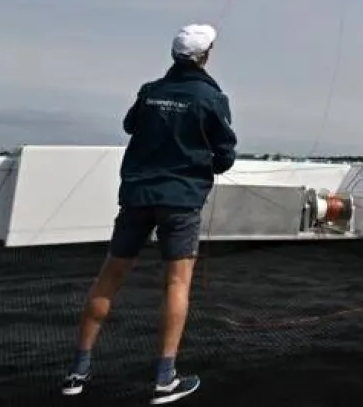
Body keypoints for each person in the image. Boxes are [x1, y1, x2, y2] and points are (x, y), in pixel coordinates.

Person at [61, 23, 237, 403]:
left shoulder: (150, 91)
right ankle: (164, 379)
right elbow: (224, 157)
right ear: (205, 56)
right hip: (181, 200)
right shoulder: (212, 98)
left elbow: (130, 125)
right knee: (176, 284)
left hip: (137, 196)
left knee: (109, 276)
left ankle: (77, 372)